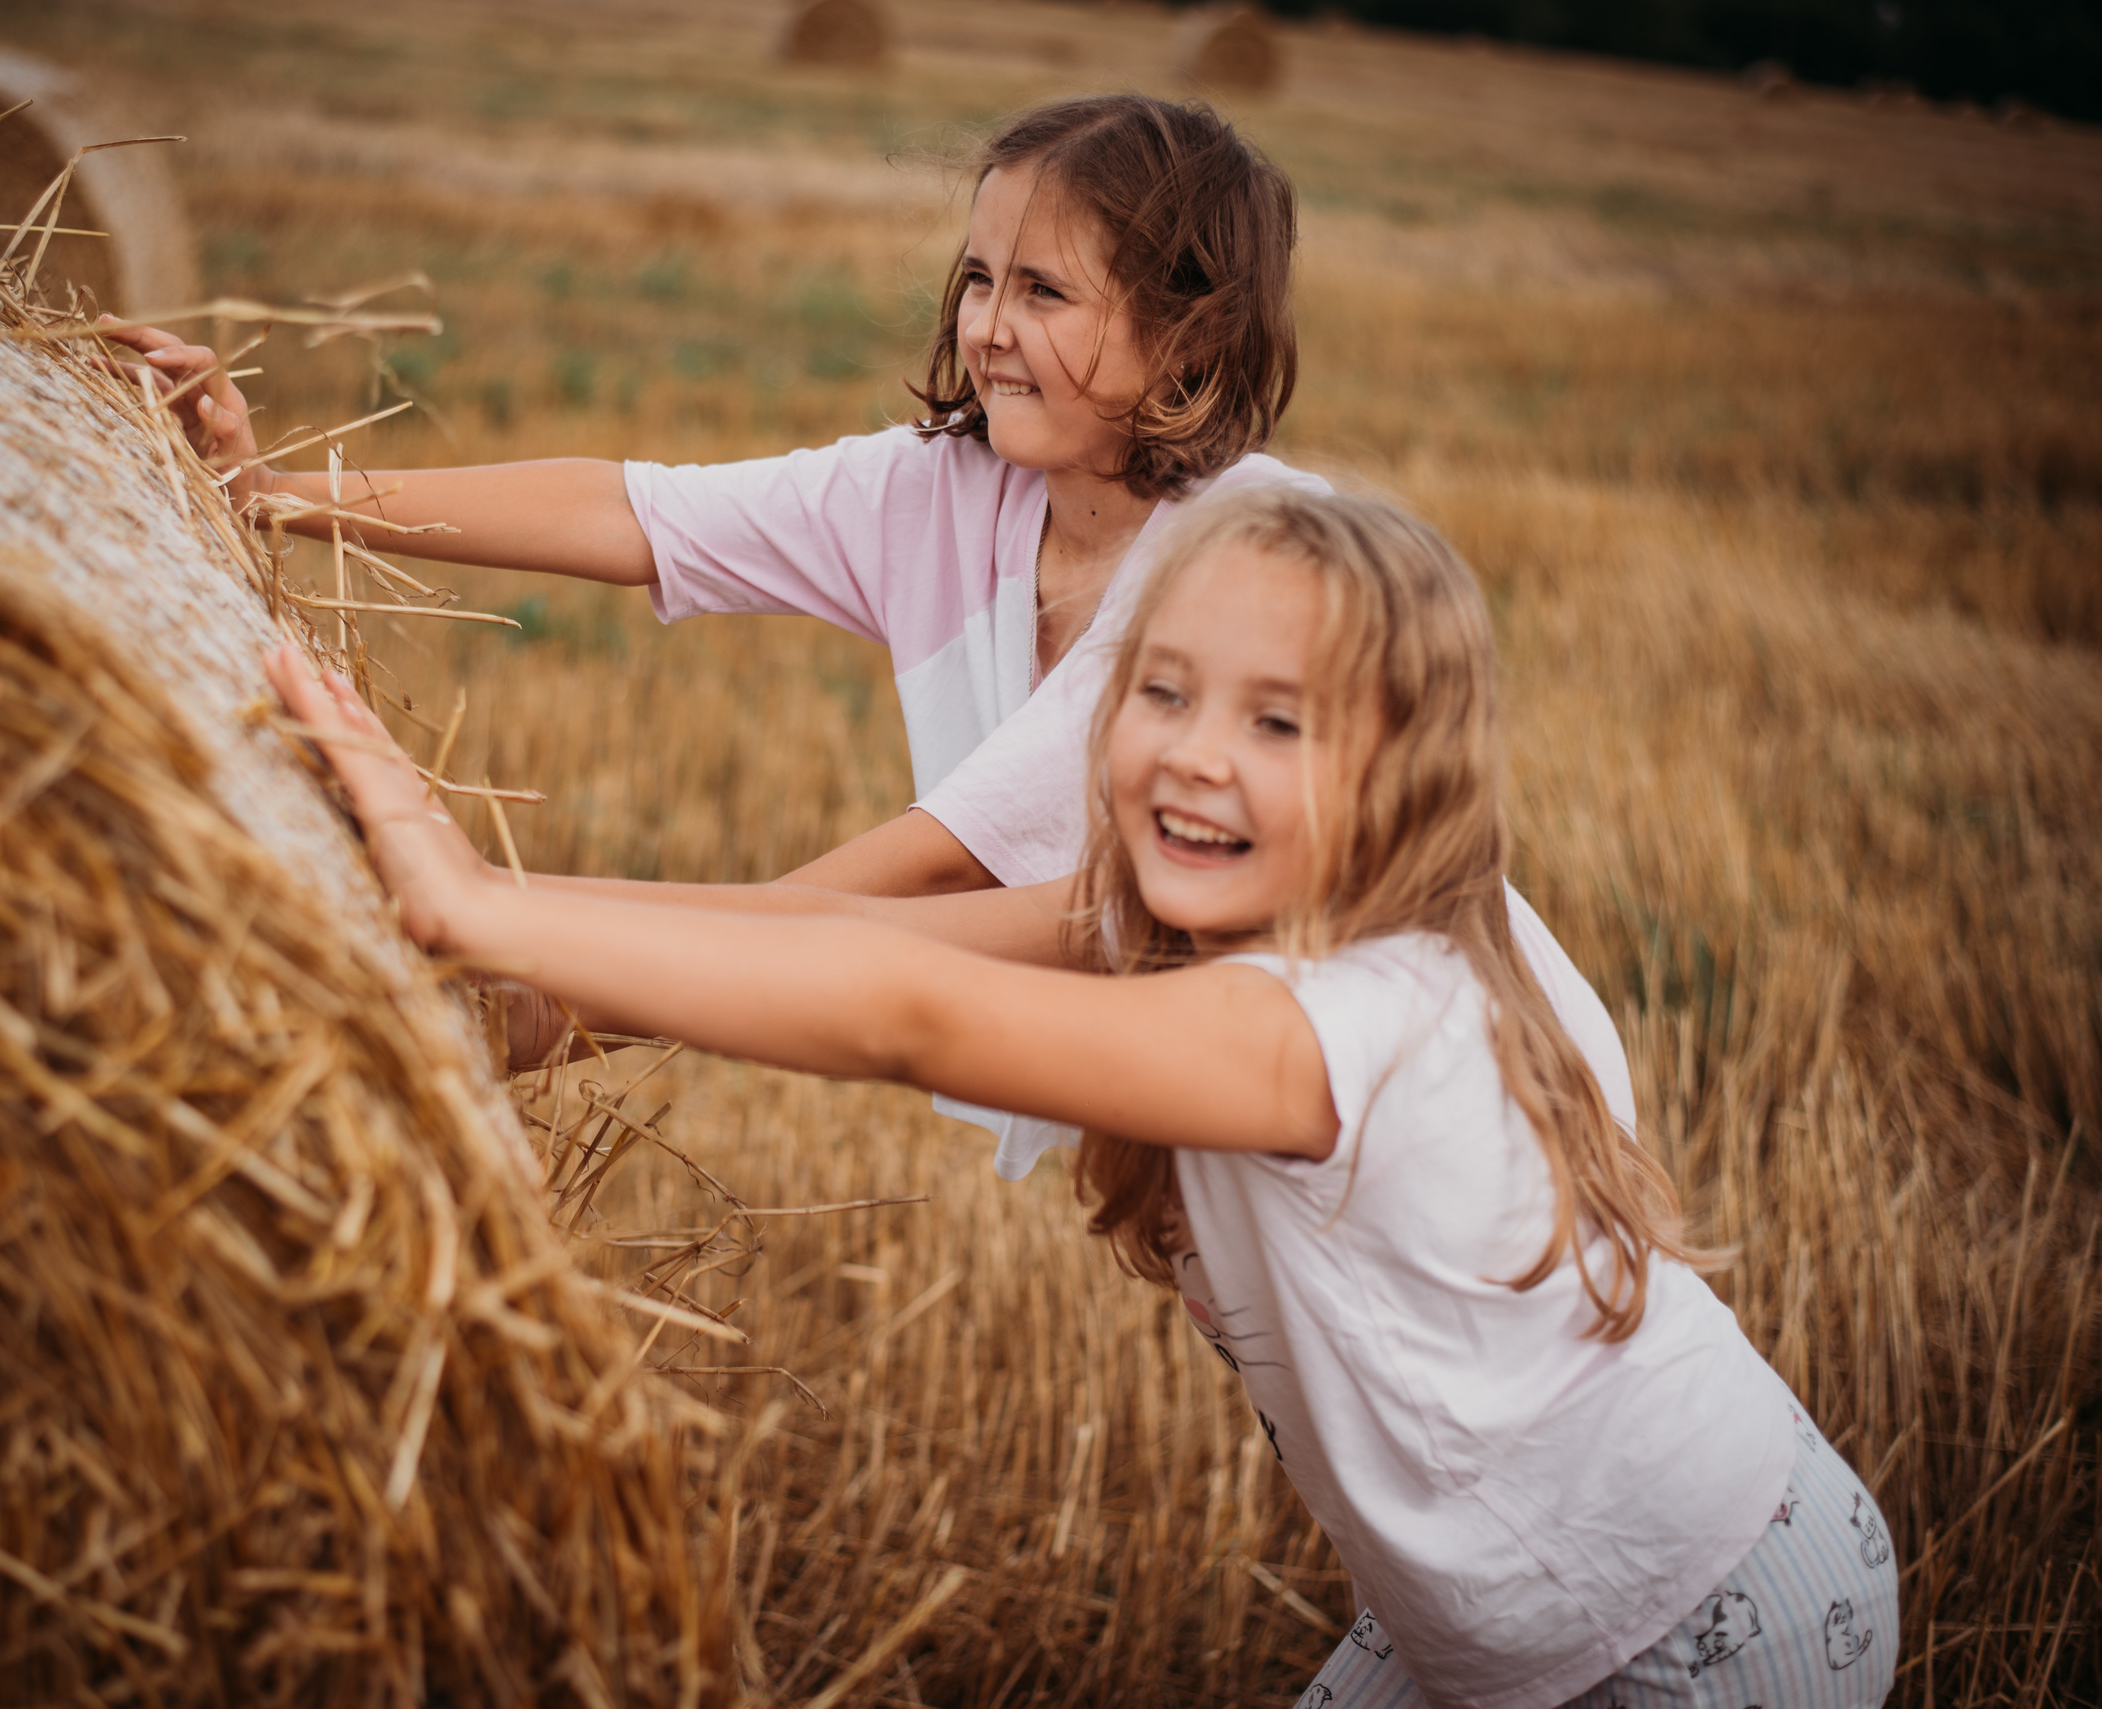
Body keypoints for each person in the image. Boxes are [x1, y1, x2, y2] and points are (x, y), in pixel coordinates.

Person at [265, 486, 1899, 1707]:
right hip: (1503, 1617)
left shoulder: (1335, 1022)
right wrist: (521, 970)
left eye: (1279, 721)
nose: (1195, 753)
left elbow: (908, 1014)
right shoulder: (1192, 924)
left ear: (1405, 773)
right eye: (1162, 692)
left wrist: (471, 900)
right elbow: (837, 933)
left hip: (1702, 1625)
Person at [114, 92, 1624, 1179]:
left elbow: (896, 909)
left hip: (1466, 1131)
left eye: (1044, 289)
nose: (986, 326)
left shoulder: (1242, 573)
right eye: (980, 278)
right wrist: (271, 496)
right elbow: (635, 513)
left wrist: (521, 986)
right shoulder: (944, 494)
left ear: (1192, 338)